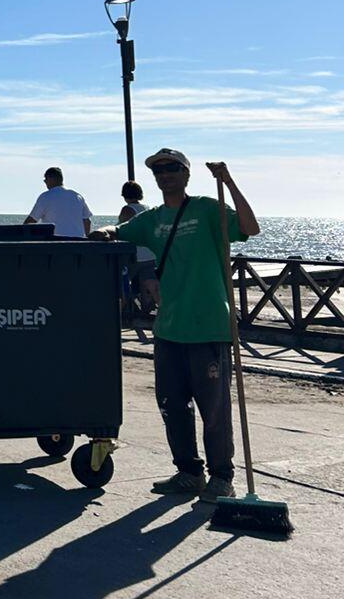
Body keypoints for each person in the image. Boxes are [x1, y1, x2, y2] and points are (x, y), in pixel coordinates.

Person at [92, 150, 259, 506]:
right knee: (171, 405)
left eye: (172, 168)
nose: (164, 174)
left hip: (209, 326)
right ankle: (188, 472)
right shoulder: (152, 220)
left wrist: (228, 182)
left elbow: (250, 228)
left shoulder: (206, 208)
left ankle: (221, 477)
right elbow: (120, 231)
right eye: (159, 170)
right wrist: (103, 233)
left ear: (186, 173)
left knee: (213, 408)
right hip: (169, 329)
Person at [117, 180, 153, 322]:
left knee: (122, 284)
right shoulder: (148, 208)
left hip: (134, 255)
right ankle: (150, 313)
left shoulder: (128, 210)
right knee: (149, 287)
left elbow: (121, 229)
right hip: (150, 254)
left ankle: (118, 315)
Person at [24, 167, 92, 238]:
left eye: (45, 179)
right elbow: (87, 221)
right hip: (78, 244)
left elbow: (30, 222)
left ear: (51, 178)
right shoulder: (77, 196)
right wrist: (87, 239)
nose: (45, 182)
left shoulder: (46, 197)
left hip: (55, 244)